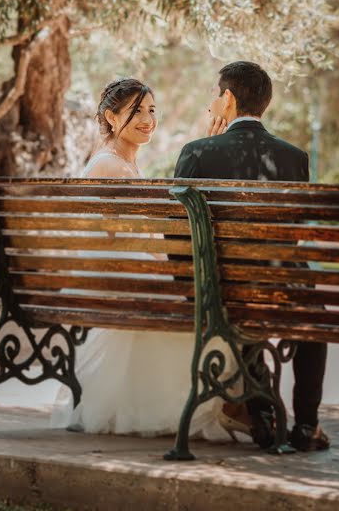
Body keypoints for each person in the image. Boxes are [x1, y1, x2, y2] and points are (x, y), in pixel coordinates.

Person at [51, 77, 239, 439]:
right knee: (208, 311)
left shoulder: (117, 164)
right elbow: (140, 242)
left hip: (119, 281)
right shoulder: (112, 168)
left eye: (151, 110)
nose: (148, 119)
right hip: (121, 286)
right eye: (136, 111)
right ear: (110, 116)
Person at [174, 61, 330, 452]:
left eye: (215, 94)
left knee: (244, 298)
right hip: (274, 288)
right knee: (313, 312)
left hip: (216, 290)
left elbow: (177, 234)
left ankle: (262, 415)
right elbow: (292, 235)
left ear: (227, 98)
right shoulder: (294, 158)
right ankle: (307, 425)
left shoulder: (196, 153)